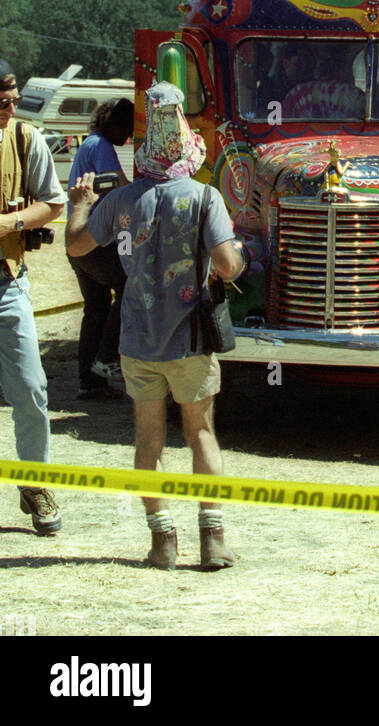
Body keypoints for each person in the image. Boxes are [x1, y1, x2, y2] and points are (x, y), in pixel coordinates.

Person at [66, 82, 245, 571]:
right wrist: (238, 256)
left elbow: (77, 247)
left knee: (148, 438)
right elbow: (228, 266)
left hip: (137, 340)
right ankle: (212, 539)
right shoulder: (205, 197)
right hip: (190, 339)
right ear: (189, 145)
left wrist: (81, 203)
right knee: (200, 433)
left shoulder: (124, 199)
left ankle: (162, 541)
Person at [0, 69, 65, 535]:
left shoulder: (26, 139)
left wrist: (14, 223)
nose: (11, 108)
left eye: (14, 98)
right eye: (3, 101)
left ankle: (36, 485)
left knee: (30, 388)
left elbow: (53, 203)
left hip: (7, 283)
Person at [67, 97, 134, 399]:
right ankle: (107, 358)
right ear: (115, 125)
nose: (128, 138)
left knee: (95, 308)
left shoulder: (89, 144)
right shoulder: (102, 147)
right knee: (130, 286)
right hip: (95, 241)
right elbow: (119, 185)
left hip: (78, 240)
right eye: (128, 130)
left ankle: (89, 382)